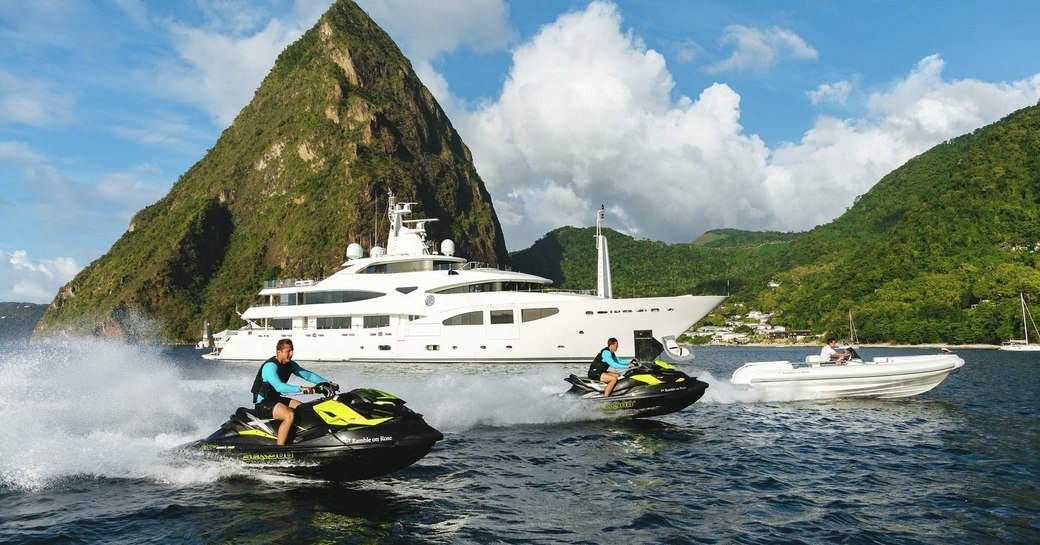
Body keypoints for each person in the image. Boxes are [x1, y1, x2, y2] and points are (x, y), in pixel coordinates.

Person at [250, 338, 339, 446]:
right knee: (289, 415)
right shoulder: (270, 366)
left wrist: (328, 383)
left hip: (276, 399)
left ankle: (299, 440)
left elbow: (308, 375)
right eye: (288, 351)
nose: (291, 354)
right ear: (279, 352)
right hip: (263, 402)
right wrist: (301, 388)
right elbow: (279, 387)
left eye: (292, 351)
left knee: (304, 409)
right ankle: (280, 448)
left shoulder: (290, 364)